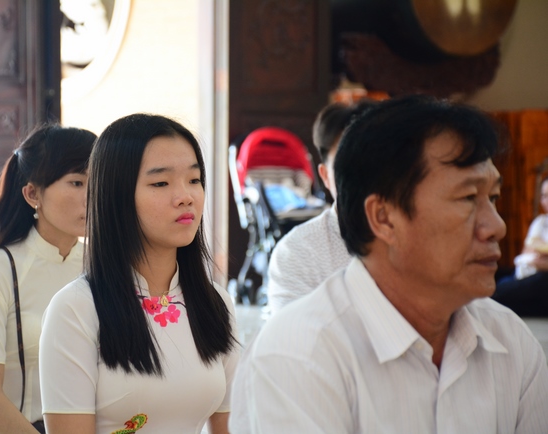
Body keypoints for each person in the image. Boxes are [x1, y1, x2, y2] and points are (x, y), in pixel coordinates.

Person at [231, 95, 548, 433]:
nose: (497, 226)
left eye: (493, 197)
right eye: (468, 197)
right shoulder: (298, 354)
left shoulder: (510, 341)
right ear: (383, 218)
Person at [39, 114, 239, 434]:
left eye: (194, 179)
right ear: (116, 196)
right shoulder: (75, 310)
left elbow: (228, 426)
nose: (186, 196)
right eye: (161, 183)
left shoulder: (217, 304)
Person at [0, 124, 97, 433]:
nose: (91, 196)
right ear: (33, 194)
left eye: (98, 182)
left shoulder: (102, 266)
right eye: (77, 182)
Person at [266, 101, 375, 313]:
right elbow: (293, 331)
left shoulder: (416, 239)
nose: (362, 176)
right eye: (346, 166)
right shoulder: (297, 252)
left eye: (372, 162)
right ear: (325, 176)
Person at [492, 177, 548, 316]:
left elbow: (537, 255)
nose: (545, 201)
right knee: (495, 273)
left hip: (542, 279)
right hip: (525, 271)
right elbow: (527, 250)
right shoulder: (541, 222)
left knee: (498, 293)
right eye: (544, 196)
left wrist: (540, 258)